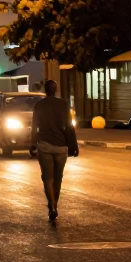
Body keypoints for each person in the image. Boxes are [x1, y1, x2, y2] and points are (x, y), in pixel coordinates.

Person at [30, 79, 78, 223]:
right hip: (61, 146)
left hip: (44, 145)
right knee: (58, 178)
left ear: (45, 90)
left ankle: (52, 205)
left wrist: (32, 144)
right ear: (56, 90)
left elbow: (34, 126)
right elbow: (69, 127)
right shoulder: (63, 104)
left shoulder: (39, 105)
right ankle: (54, 205)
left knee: (47, 178)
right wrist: (73, 146)